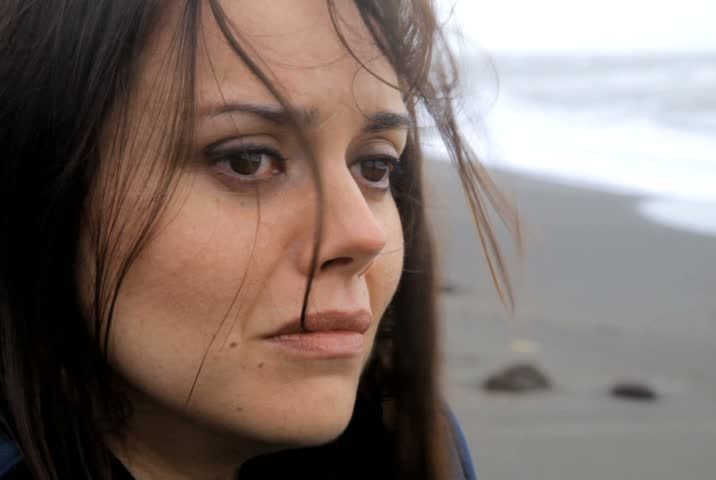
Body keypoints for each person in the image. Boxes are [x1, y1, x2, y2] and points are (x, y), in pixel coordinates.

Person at [0, 1, 516, 479]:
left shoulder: (414, 450)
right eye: (247, 160)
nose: (364, 235)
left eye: (375, 166)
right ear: (34, 182)